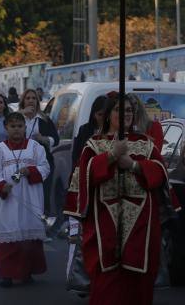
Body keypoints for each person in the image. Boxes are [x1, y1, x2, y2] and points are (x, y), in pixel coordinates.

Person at [64, 95, 180, 305]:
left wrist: (134, 165)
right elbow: (84, 177)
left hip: (142, 225)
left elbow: (160, 173)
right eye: (119, 109)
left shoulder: (145, 143)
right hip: (105, 222)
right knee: (107, 287)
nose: (125, 114)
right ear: (108, 115)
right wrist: (110, 156)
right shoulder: (94, 145)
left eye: (128, 110)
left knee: (138, 286)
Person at [0, 112, 50, 287]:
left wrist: (31, 171)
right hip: (8, 200)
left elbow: (45, 168)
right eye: (13, 126)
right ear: (6, 128)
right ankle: (6, 274)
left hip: (31, 197)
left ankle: (26, 272)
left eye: (20, 126)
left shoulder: (36, 147)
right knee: (9, 233)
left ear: (25, 127)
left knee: (29, 238)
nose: (17, 130)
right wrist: (1, 186)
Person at [19, 88, 59, 214]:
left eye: (34, 98)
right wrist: (21, 114)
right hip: (21, 163)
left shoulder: (44, 119)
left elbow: (56, 139)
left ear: (37, 101)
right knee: (23, 194)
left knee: (43, 193)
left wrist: (44, 139)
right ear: (23, 101)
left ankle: (42, 223)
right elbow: (7, 130)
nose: (31, 101)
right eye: (28, 98)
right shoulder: (17, 118)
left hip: (43, 163)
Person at [71, 96, 108, 169]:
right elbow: (77, 154)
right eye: (100, 114)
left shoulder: (114, 129)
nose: (103, 118)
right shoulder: (84, 130)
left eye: (105, 114)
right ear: (94, 114)